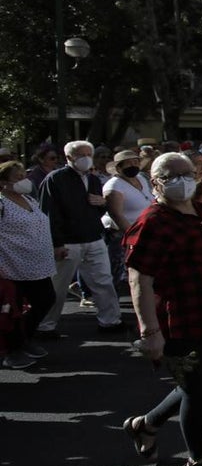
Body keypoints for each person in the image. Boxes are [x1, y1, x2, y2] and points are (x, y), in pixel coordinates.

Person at [121, 152, 202, 466]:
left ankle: (145, 424)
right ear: (155, 183)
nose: (182, 180)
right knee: (197, 388)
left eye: (187, 173)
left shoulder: (199, 210)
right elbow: (138, 278)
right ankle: (199, 458)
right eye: (172, 175)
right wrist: (150, 332)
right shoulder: (153, 222)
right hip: (179, 322)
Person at [38, 140, 124, 335]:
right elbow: (49, 213)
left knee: (103, 281)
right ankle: (46, 326)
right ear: (68, 157)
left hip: (93, 237)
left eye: (88, 154)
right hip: (67, 242)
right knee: (58, 286)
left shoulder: (92, 180)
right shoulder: (55, 179)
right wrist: (56, 243)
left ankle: (110, 321)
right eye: (80, 154)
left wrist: (102, 203)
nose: (85, 158)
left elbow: (98, 208)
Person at [0, 162, 57, 368]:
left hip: (36, 265)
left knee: (46, 300)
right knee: (11, 311)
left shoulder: (28, 199)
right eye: (17, 176)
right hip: (11, 267)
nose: (24, 179)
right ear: (3, 182)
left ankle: (25, 340)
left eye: (24, 174)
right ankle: (12, 352)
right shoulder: (2, 203)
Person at [103, 150, 155, 288]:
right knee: (115, 272)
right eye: (129, 163)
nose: (133, 165)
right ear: (119, 167)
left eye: (136, 162)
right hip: (121, 235)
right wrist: (132, 236)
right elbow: (117, 214)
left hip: (144, 232)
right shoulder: (114, 186)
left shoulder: (141, 179)